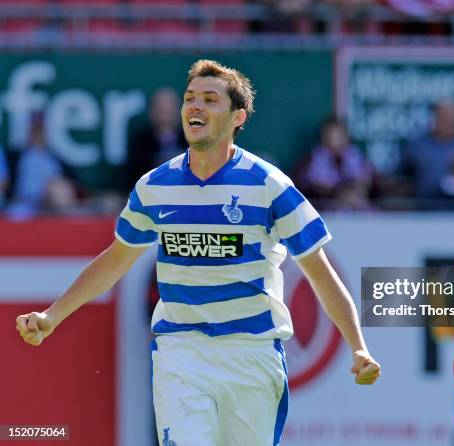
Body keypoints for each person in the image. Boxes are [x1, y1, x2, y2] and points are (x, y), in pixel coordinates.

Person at [16, 59, 381, 446]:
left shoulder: (270, 185)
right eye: (190, 98)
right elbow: (115, 260)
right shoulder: (154, 186)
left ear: (238, 116)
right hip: (180, 351)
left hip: (252, 353)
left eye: (210, 99)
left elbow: (320, 274)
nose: (195, 106)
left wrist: (358, 346)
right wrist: (52, 316)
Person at [294, 115, 376, 210]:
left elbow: (367, 181)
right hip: (326, 209)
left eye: (340, 135)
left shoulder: (354, 155)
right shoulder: (314, 158)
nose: (334, 139)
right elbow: (315, 187)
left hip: (358, 208)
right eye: (330, 135)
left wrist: (354, 190)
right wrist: (339, 193)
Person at [126, 87, 187, 189]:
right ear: (152, 112)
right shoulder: (140, 142)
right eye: (161, 111)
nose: (165, 118)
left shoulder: (191, 140)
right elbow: (133, 177)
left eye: (169, 112)